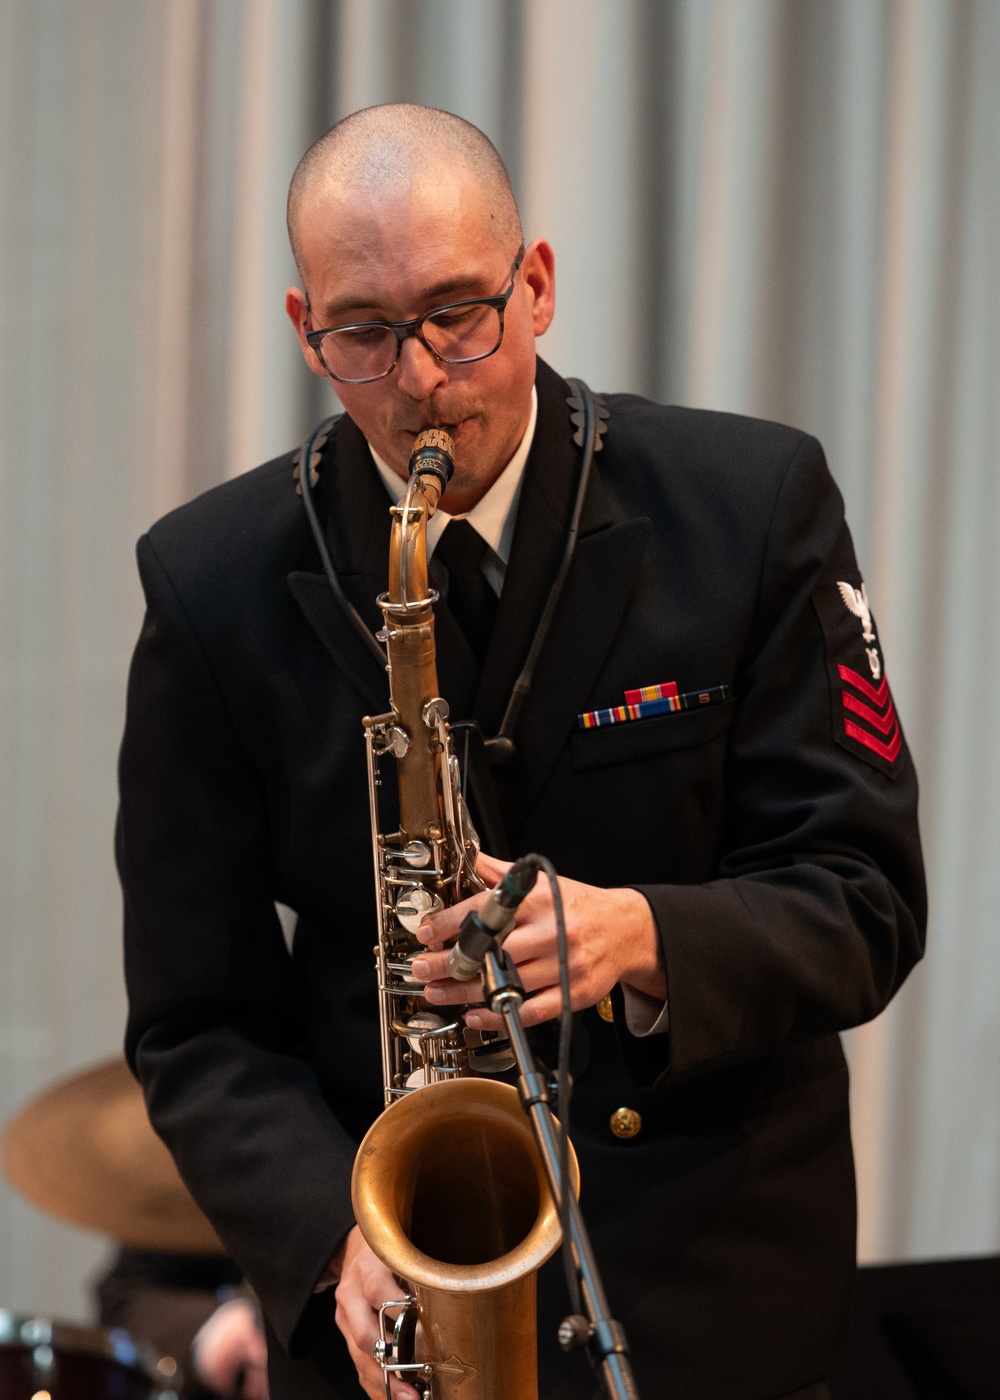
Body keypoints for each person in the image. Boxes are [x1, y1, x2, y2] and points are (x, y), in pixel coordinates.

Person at [118, 104, 926, 1400]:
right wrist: (334, 1239)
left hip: (710, 1306)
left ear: (536, 283)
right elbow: (195, 1019)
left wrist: (641, 937)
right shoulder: (210, 583)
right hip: (395, 1311)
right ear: (304, 331)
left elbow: (865, 896)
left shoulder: (750, 506)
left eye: (459, 314)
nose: (424, 377)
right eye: (366, 335)